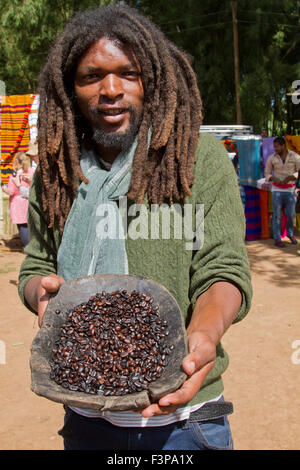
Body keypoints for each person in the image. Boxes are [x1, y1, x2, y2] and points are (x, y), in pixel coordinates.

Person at [18, 5, 252, 451]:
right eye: (91, 76)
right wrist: (41, 295)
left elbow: (222, 270)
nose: (111, 90)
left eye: (129, 73)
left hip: (183, 423)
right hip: (84, 417)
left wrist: (203, 334)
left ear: (154, 80)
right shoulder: (57, 171)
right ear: (69, 86)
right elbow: (36, 265)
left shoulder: (197, 158)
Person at [265, 136, 300, 247]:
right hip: (277, 190)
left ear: (283, 146)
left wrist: (291, 177)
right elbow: (267, 173)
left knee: (291, 214)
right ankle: (277, 238)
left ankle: (290, 234)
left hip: (291, 190)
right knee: (277, 215)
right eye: (274, 146)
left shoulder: (295, 156)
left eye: (276, 146)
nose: (275, 148)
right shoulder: (271, 158)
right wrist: (272, 178)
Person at [2, 152, 35, 249]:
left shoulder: (15, 174)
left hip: (18, 204)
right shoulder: (32, 171)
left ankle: (27, 247)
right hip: (29, 201)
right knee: (30, 226)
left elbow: (11, 191)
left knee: (22, 227)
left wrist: (4, 188)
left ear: (17, 162)